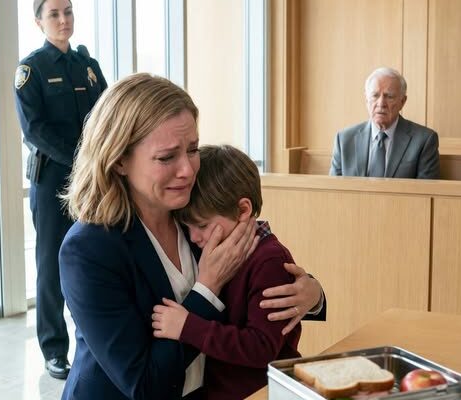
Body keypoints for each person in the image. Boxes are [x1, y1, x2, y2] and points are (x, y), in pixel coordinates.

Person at [59, 73, 325, 400]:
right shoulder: (88, 250)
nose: (187, 170)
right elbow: (144, 386)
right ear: (119, 162)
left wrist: (312, 294)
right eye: (166, 157)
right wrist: (206, 289)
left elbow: (258, 263)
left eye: (193, 149)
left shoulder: (191, 210)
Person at [152, 144, 317, 400]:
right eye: (187, 227)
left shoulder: (269, 261)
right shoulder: (213, 249)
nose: (193, 237)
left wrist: (188, 327)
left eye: (202, 225)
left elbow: (261, 348)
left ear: (243, 211)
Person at [13, 0, 107, 379]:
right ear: (39, 21)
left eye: (67, 11)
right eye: (54, 14)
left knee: (95, 255)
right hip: (53, 180)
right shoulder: (31, 69)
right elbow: (34, 130)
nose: (63, 19)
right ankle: (54, 350)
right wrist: (81, 160)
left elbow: (107, 116)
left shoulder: (88, 65)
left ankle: (95, 337)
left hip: (91, 181)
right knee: (51, 265)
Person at [329, 67, 440, 179]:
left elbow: (425, 189)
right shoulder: (344, 139)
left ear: (402, 101)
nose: (381, 103)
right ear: (366, 99)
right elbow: (333, 188)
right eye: (375, 95)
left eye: (389, 96)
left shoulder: (424, 140)